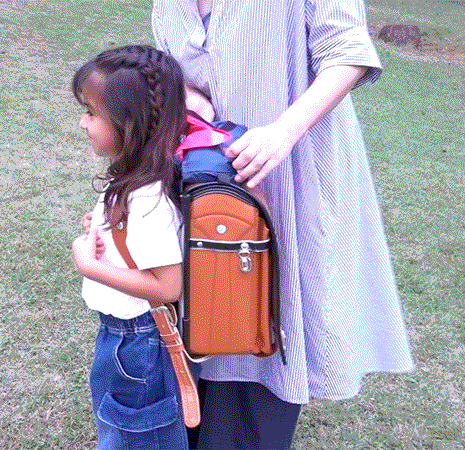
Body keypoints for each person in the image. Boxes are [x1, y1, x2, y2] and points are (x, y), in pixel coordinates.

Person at [152, 0, 415, 448]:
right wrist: (188, 96)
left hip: (291, 178)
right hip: (201, 182)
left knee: (266, 319)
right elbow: (171, 66)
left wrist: (282, 132)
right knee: (201, 312)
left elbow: (347, 51)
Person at [70, 44, 190, 450]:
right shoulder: (136, 180)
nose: (83, 122)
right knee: (121, 430)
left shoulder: (148, 197)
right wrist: (105, 229)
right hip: (124, 338)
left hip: (138, 343)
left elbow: (167, 286)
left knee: (134, 437)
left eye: (92, 113)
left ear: (129, 124)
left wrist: (91, 266)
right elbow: (139, 247)